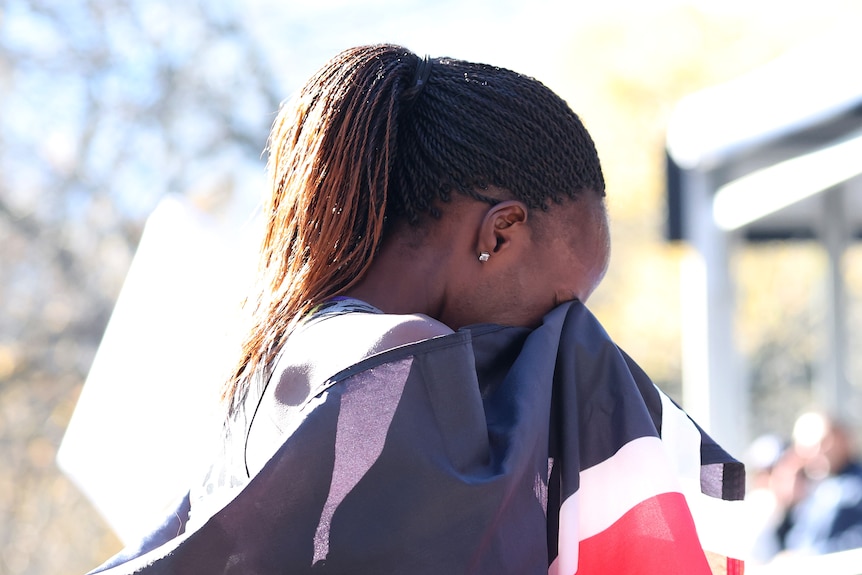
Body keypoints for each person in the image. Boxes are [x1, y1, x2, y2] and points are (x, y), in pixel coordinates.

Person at [88, 44, 743, 575]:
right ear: (499, 233)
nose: (568, 337)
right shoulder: (399, 358)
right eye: (563, 306)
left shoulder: (269, 355)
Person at [783, 412, 862, 554]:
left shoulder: (856, 485)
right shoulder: (815, 490)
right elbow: (798, 539)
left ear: (841, 438)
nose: (817, 451)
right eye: (808, 447)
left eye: (824, 442)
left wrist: (809, 557)